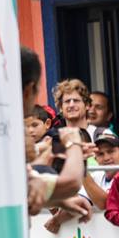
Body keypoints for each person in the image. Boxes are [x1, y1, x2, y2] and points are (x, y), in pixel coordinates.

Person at [21, 47, 83, 215]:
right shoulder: (8, 135)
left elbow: (21, 191)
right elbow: (71, 183)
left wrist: (60, 201)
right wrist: (73, 142)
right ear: (29, 90)